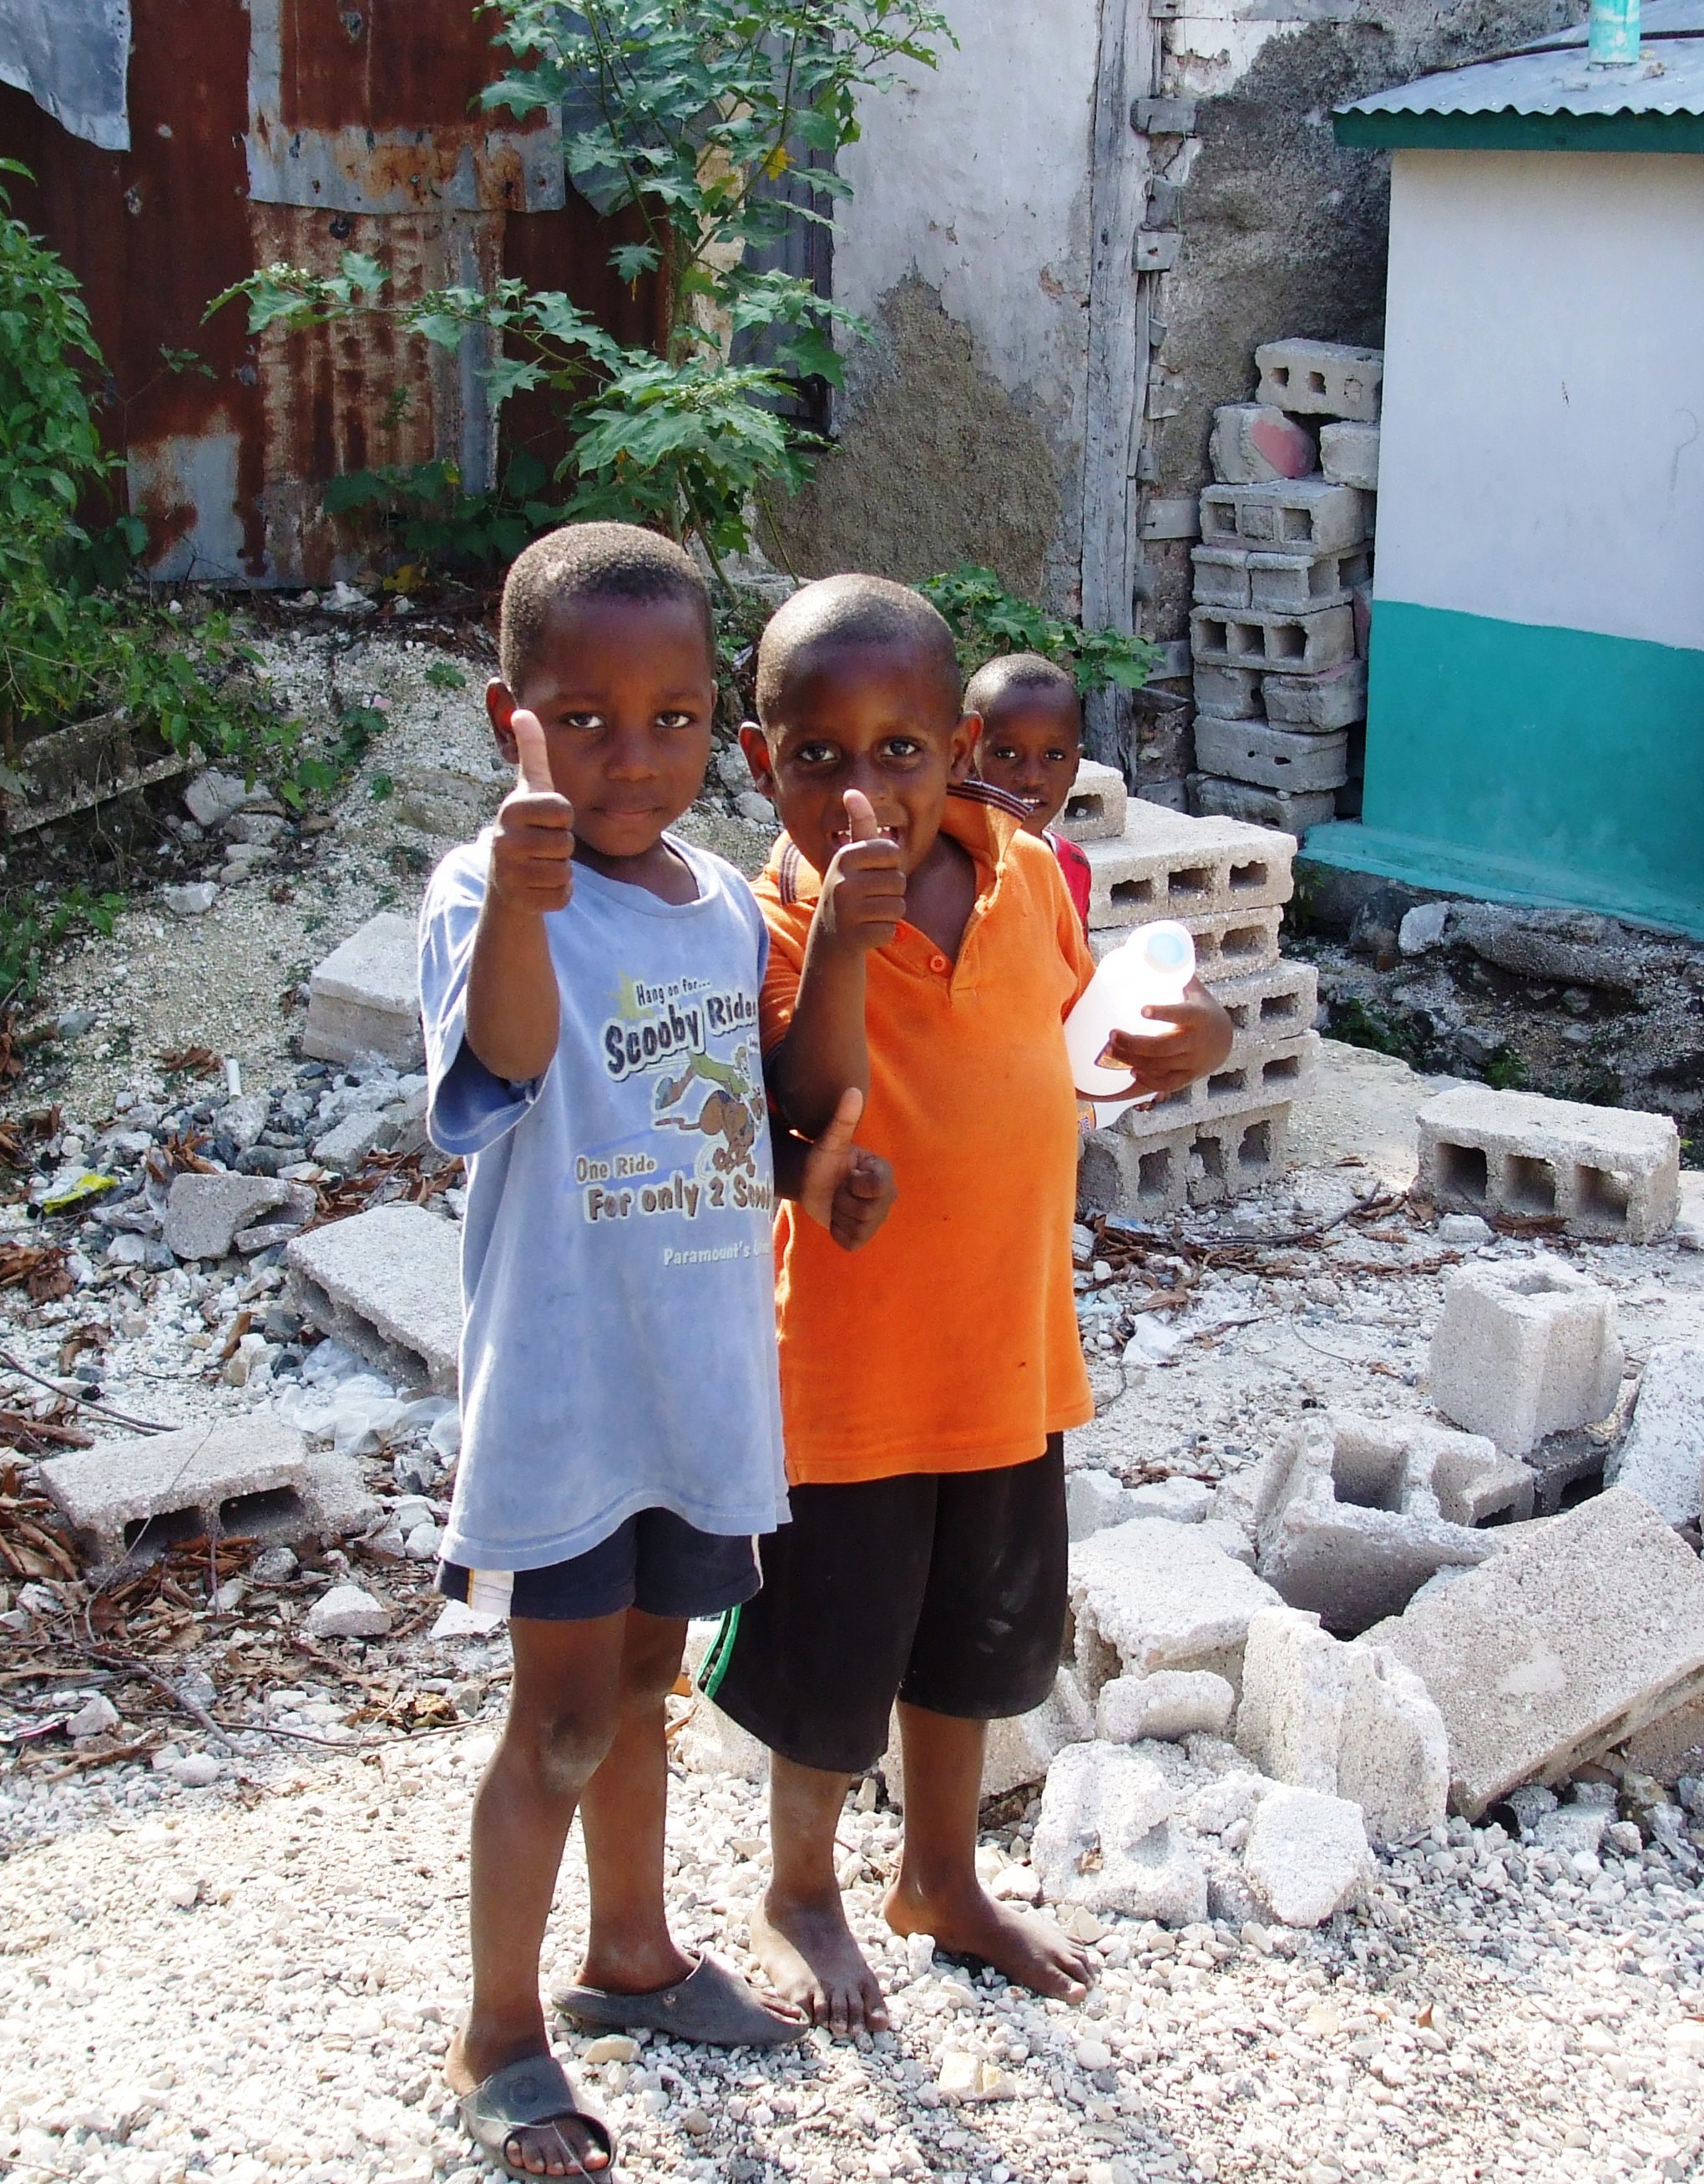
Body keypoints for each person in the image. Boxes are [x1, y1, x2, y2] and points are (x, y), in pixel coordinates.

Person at [420, 525, 897, 2176]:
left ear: (716, 726)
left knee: (640, 1691)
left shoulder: (708, 908)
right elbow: (511, 1060)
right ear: (512, 720)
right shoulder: (491, 889)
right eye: (588, 718)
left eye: (674, 718)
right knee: (551, 1718)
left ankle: (633, 1957)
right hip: (566, 1391)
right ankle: (500, 2035)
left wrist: (831, 998)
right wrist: (526, 898)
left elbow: (745, 1121)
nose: (635, 759)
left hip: (696, 1381)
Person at [701, 574, 1235, 2033]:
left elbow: (1084, 1050)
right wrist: (843, 943)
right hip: (844, 1375)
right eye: (817, 757)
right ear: (760, 761)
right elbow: (793, 1105)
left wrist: (1189, 1038)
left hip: (1004, 1351)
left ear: (960, 749)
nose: (861, 790)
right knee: (828, 1657)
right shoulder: (758, 921)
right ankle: (801, 1883)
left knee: (972, 1644)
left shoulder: (1020, 878)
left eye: (899, 752)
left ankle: (939, 1872)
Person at [960, 651, 1095, 919]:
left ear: (1075, 767)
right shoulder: (950, 872)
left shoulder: (1073, 866)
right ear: (966, 757)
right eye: (1006, 754)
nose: (1032, 777)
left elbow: (1075, 960)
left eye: (1054, 756)